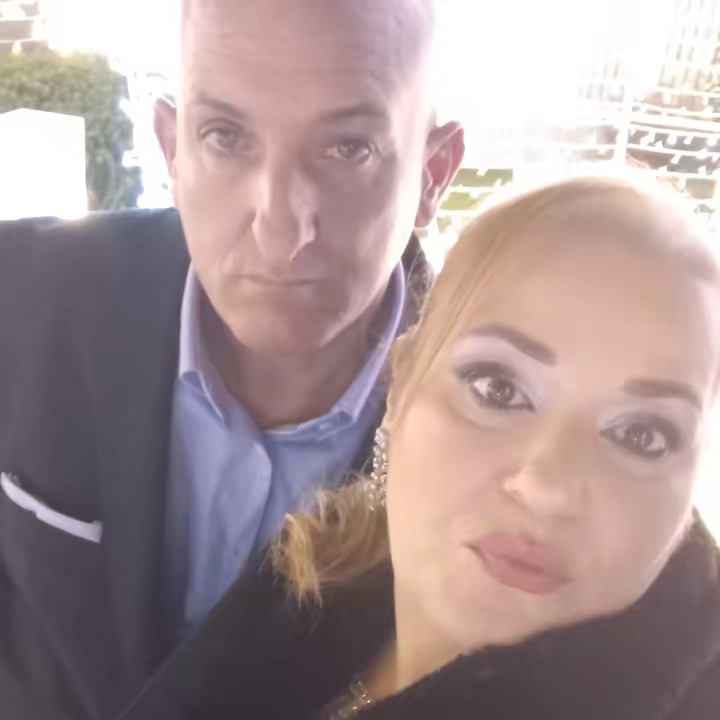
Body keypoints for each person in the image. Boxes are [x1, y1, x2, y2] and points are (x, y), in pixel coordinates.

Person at [0, 0, 464, 718]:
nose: (280, 231)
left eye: (348, 148)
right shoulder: (20, 294)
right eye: (225, 136)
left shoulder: (496, 433)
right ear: (171, 148)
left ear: (433, 174)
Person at [118, 175, 720, 720]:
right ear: (402, 384)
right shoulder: (304, 592)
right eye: (498, 388)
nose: (547, 485)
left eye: (642, 435)